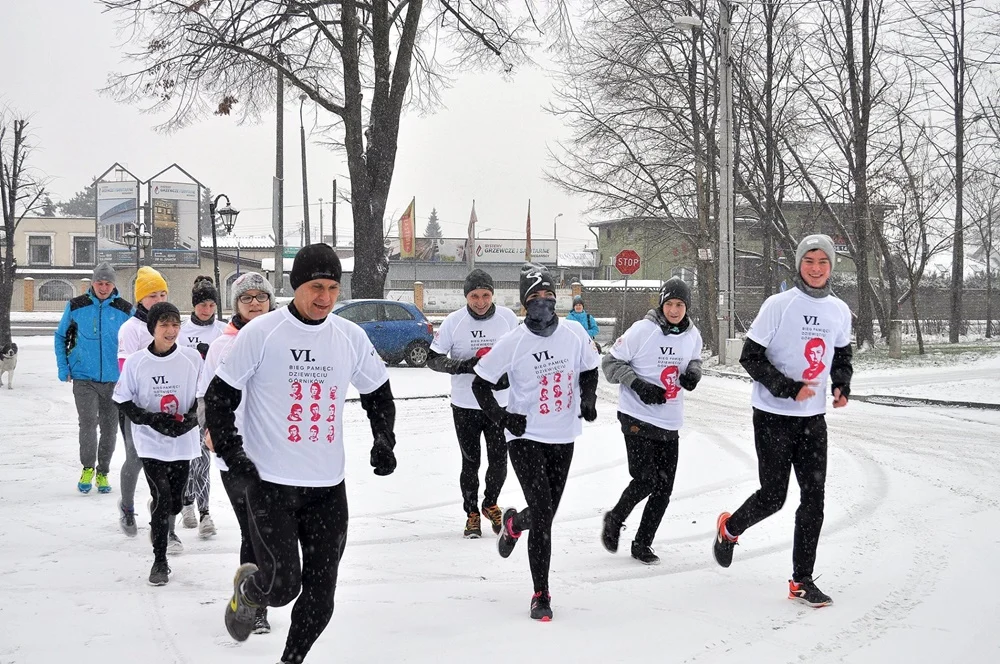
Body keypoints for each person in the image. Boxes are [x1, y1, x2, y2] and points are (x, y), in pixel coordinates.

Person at [205, 244, 398, 663]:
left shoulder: (349, 336)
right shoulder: (262, 333)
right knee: (282, 587)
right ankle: (249, 591)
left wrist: (384, 439)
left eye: (332, 287)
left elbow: (378, 394)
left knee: (322, 594)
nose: (325, 297)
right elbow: (219, 399)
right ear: (296, 286)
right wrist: (235, 457)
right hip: (271, 484)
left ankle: (291, 660)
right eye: (315, 287)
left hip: (328, 487)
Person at [712, 234, 854, 608]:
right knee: (773, 497)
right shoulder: (779, 305)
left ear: (831, 266)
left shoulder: (839, 310)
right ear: (799, 264)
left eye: (823, 261)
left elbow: (840, 354)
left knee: (814, 499)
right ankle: (730, 528)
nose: (816, 268)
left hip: (814, 420)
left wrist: (841, 385)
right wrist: (788, 388)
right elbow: (751, 357)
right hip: (773, 417)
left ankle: (801, 580)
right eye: (810, 260)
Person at [471, 263, 600, 622]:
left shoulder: (574, 333)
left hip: (563, 436)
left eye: (548, 296)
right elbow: (481, 384)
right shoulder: (513, 342)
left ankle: (513, 526)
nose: (543, 302)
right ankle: (540, 592)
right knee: (542, 514)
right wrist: (503, 418)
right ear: (525, 303)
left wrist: (588, 399)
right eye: (535, 297)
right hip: (524, 436)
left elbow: (590, 368)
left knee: (545, 515)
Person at [600, 277, 703, 565]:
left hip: (670, 420)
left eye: (680, 305)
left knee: (664, 488)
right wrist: (638, 385)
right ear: (661, 303)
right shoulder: (642, 331)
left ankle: (643, 543)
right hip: (637, 415)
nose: (673, 310)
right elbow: (609, 365)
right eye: (669, 304)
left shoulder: (693, 334)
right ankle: (615, 518)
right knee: (645, 478)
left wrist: (694, 373)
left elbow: (695, 359)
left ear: (687, 307)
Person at [196, 271, 275, 634]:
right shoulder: (222, 345)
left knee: (272, 530)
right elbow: (203, 397)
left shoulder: (284, 338)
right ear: (236, 305)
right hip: (235, 450)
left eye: (261, 296)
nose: (255, 302)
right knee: (252, 529)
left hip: (280, 452)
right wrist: (210, 430)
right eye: (247, 298)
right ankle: (254, 605)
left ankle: (255, 592)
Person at [112, 302, 202, 585]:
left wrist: (192, 420)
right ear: (152, 328)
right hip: (151, 441)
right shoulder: (138, 361)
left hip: (182, 441)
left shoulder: (192, 359)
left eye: (175, 324)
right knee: (163, 498)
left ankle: (161, 514)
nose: (171, 330)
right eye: (164, 325)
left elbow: (205, 397)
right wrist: (151, 419)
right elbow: (123, 400)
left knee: (174, 501)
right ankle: (160, 560)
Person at [427, 268, 519, 538]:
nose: (480, 302)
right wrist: (464, 366)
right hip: (465, 404)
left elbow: (519, 353)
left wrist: (505, 376)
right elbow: (433, 359)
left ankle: (490, 503)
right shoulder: (454, 322)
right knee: (471, 462)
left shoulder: (508, 318)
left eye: (486, 295)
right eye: (474, 296)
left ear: (493, 294)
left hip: (499, 405)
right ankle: (471, 513)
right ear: (466, 296)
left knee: (499, 461)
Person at [54, 262, 133, 494]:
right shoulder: (76, 305)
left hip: (114, 380)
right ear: (92, 282)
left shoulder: (124, 309)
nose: (103, 287)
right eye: (99, 282)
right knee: (88, 423)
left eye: (108, 283)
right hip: (83, 377)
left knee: (109, 428)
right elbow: (60, 337)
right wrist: (64, 367)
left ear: (114, 284)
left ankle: (103, 472)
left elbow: (136, 343)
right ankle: (88, 467)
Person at [115, 266, 170, 538]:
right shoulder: (131, 328)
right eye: (152, 296)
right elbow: (125, 367)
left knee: (165, 461)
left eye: (163, 294)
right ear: (140, 299)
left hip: (165, 402)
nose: (159, 300)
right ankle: (126, 506)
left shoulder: (168, 325)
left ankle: (160, 509)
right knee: (135, 458)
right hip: (135, 405)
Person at [178, 276, 227, 538]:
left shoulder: (223, 330)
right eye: (202, 305)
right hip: (186, 400)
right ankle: (187, 504)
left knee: (204, 458)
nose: (206, 310)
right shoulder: (183, 331)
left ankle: (205, 512)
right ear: (194, 305)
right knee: (189, 456)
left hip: (212, 401)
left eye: (211, 304)